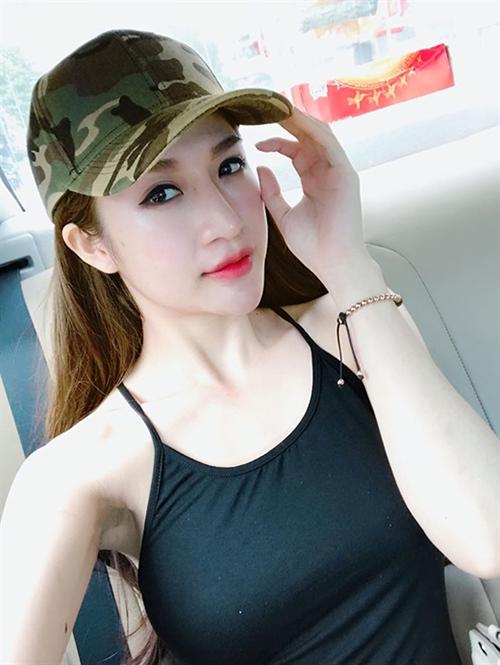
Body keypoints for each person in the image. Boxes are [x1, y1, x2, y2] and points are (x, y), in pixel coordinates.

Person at [6, 26, 490, 665]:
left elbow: (486, 536)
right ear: (92, 245)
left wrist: (347, 265)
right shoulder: (82, 471)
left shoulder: (350, 323)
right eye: (162, 193)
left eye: (228, 166)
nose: (227, 220)